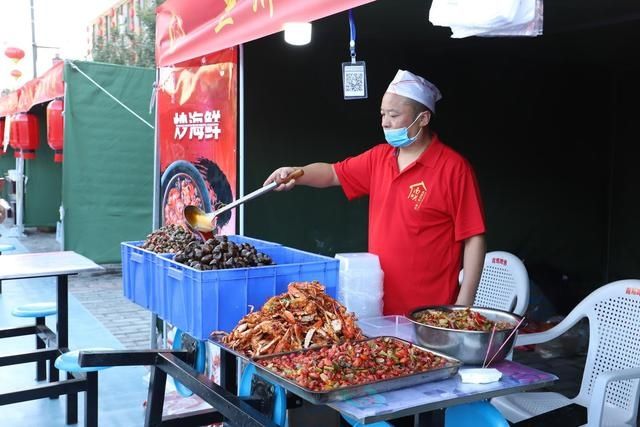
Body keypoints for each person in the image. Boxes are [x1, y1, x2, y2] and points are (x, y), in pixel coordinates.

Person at [264, 69, 486, 315]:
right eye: (382, 114)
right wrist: (297, 172)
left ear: (423, 118)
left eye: (394, 114)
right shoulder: (379, 158)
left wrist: (462, 308)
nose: (385, 122)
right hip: (377, 307)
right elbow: (332, 173)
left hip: (432, 314)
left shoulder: (453, 168)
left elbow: (474, 238)